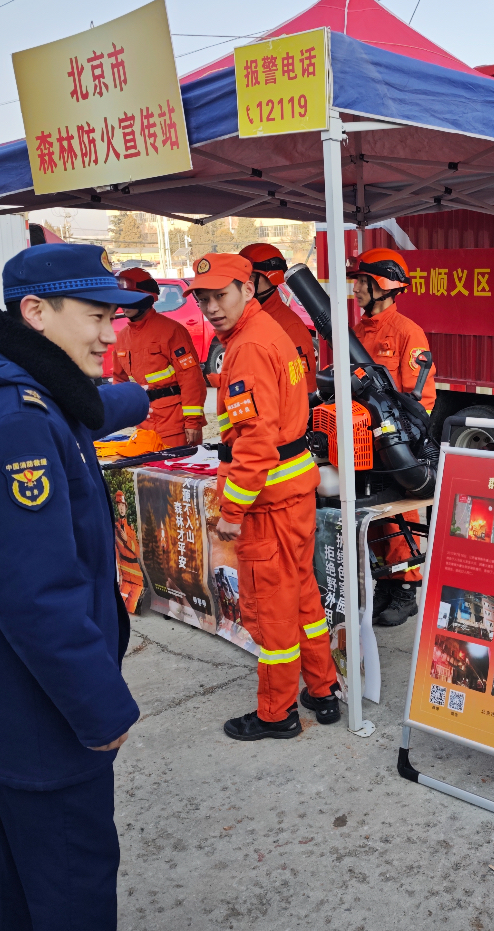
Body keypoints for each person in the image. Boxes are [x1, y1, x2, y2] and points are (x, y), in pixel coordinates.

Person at [0, 244, 150, 930]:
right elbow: (36, 596)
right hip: (44, 718)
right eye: (95, 316)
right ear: (35, 311)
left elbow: (86, 407)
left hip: (18, 712)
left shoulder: (23, 385)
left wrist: (144, 397)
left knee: (31, 886)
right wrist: (102, 709)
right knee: (71, 892)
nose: (110, 334)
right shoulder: (14, 426)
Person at [186, 252, 340, 739]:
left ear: (248, 290)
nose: (211, 307)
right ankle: (321, 691)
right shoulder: (272, 330)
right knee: (303, 601)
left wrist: (232, 509)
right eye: (203, 298)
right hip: (294, 490)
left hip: (268, 500)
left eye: (220, 295)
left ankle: (277, 714)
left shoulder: (248, 347)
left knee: (271, 611)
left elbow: (254, 439)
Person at [350, 248, 435, 627]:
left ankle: (406, 587)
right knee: (372, 517)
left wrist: (400, 440)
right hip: (358, 438)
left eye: (361, 281)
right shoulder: (357, 332)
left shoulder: (407, 332)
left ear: (381, 286)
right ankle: (385, 579)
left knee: (400, 512)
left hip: (393, 440)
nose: (355, 288)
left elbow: (423, 397)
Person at [109, 267, 207, 447]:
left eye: (130, 298)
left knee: (179, 474)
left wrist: (192, 421)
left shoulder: (171, 331)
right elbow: (119, 382)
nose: (124, 304)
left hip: (175, 425)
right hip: (144, 424)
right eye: (122, 298)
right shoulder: (122, 337)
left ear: (147, 298)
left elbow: (191, 379)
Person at [239, 242, 318, 392]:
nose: (243, 284)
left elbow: (303, 388)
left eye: (249, 277)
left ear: (270, 278)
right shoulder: (244, 320)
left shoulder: (290, 327)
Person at [112, 490, 144, 613]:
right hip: (124, 575)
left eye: (123, 506)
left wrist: (127, 540)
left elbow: (138, 552)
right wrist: (119, 573)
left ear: (126, 507)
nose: (121, 508)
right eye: (119, 505)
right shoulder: (115, 528)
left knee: (131, 607)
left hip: (136, 575)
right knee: (120, 608)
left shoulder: (131, 528)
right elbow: (116, 553)